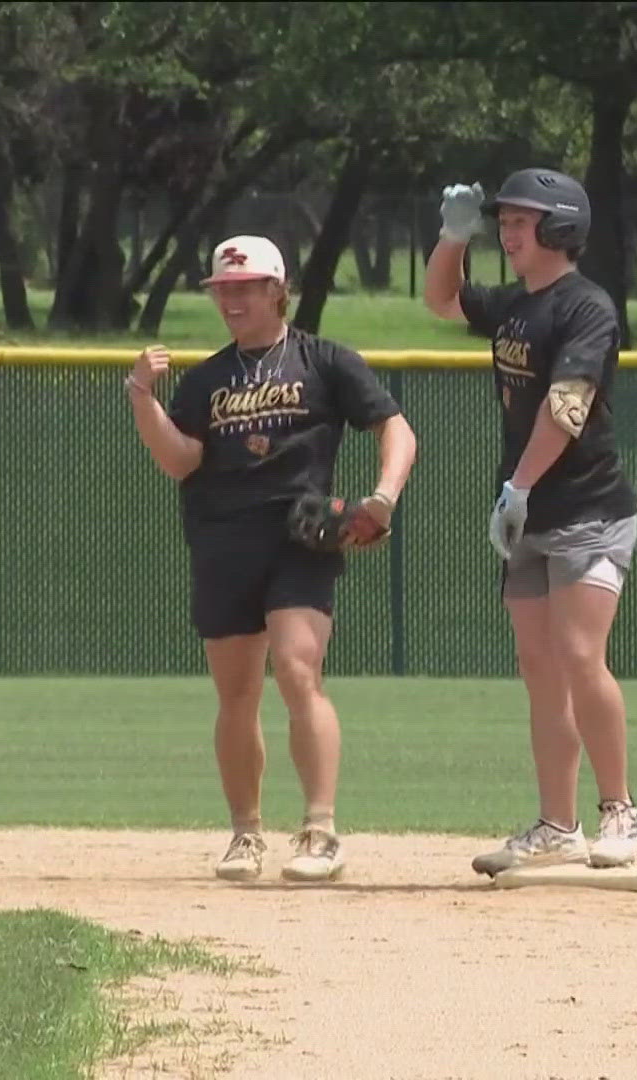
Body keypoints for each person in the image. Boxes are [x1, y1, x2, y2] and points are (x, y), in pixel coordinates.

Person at [128, 234, 417, 883]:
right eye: (222, 288)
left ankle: (319, 829)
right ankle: (246, 833)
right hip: (222, 539)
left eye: (244, 286)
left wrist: (382, 498)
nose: (230, 298)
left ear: (275, 290)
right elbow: (180, 461)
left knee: (296, 669)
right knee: (236, 693)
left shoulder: (325, 361)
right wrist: (143, 398)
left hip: (299, 535)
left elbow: (395, 428)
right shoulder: (205, 379)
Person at [421, 168, 637, 876]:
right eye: (504, 221)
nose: (508, 232)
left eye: (520, 221)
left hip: (588, 511)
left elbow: (567, 408)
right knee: (540, 668)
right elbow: (441, 301)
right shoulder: (517, 305)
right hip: (527, 512)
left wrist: (516, 487)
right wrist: (452, 238)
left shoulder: (587, 308)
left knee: (581, 658)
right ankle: (557, 825)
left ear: (559, 228)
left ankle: (620, 812)